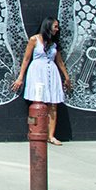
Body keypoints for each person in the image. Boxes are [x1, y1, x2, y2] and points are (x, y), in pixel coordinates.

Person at [11, 17, 72, 145]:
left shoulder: (54, 43)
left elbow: (59, 61)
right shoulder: (34, 39)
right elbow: (26, 59)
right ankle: (34, 131)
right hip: (37, 72)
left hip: (51, 72)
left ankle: (51, 135)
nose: (57, 29)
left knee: (53, 104)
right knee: (37, 102)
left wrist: (66, 77)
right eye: (55, 26)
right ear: (48, 26)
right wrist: (20, 77)